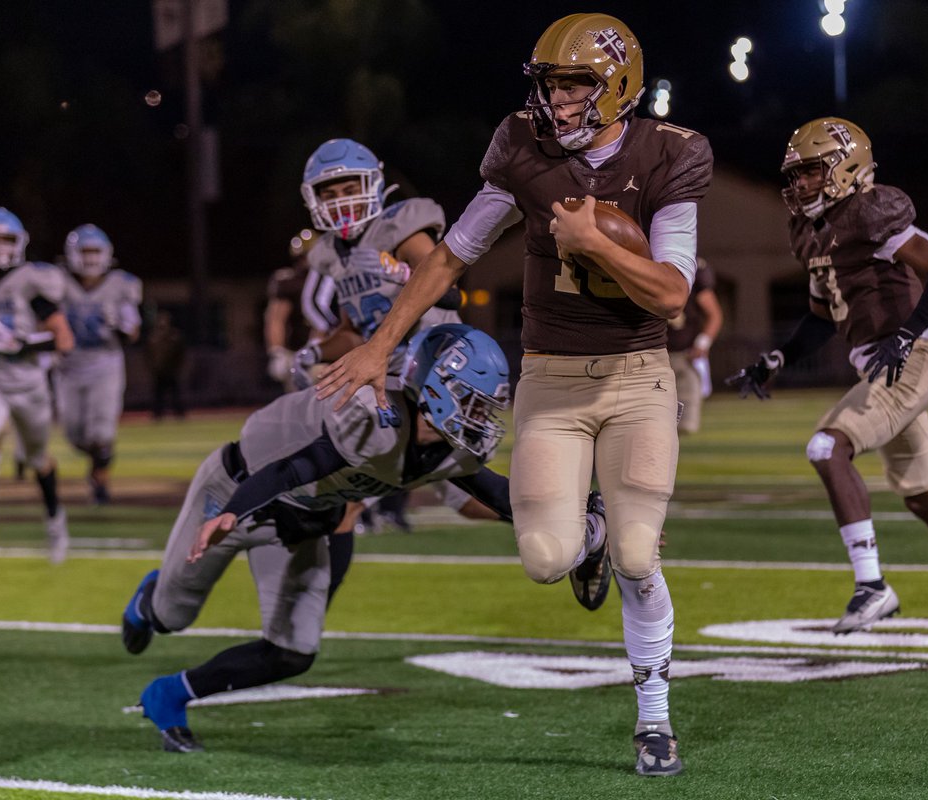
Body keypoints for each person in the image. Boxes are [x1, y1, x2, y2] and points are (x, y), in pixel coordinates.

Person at [316, 13, 712, 777]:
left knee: (639, 554)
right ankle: (588, 537)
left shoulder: (671, 153)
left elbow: (670, 294)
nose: (559, 101)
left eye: (576, 85)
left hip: (637, 377)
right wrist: (379, 344)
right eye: (551, 84)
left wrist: (596, 242)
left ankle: (655, 715)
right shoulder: (523, 149)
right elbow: (453, 256)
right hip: (552, 377)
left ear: (618, 86)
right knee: (543, 556)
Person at [119, 324, 604, 753]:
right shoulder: (375, 414)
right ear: (433, 389)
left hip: (302, 519)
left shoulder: (446, 448)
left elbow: (501, 495)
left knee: (293, 651)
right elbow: (298, 466)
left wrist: (582, 519)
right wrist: (230, 512)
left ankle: (170, 693)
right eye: (472, 400)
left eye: (485, 405)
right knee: (171, 615)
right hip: (237, 490)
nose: (479, 415)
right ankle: (147, 602)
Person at [726, 117, 928, 650]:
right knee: (923, 496)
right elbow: (824, 315)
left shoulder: (871, 211)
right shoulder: (808, 230)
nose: (798, 184)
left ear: (846, 166)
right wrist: (776, 357)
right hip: (878, 363)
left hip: (909, 356)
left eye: (811, 171)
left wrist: (909, 334)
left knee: (826, 447)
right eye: (794, 174)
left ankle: (871, 585)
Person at [295, 137, 467, 534]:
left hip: (435, 363)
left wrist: (403, 275)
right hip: (387, 374)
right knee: (460, 494)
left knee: (456, 487)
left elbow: (448, 286)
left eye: (350, 188)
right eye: (331, 193)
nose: (341, 200)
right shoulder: (333, 254)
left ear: (371, 185)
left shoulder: (400, 228)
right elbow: (352, 332)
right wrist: (314, 351)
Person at [0, 207, 74, 566]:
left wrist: (25, 344)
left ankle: (55, 521)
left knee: (37, 460)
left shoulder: (30, 283)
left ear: (19, 243)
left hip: (29, 383)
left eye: (5, 239)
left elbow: (64, 340)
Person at [55, 224, 143, 505]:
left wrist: (121, 324)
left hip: (105, 364)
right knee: (75, 435)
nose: (91, 258)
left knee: (102, 432)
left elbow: (133, 331)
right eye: (85, 251)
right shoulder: (57, 282)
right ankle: (95, 461)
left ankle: (100, 484)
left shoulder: (122, 284)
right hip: (68, 366)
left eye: (96, 252)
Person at [263, 230, 332, 394]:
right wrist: (277, 351)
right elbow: (276, 318)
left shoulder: (331, 278)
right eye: (301, 256)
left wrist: (316, 346)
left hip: (326, 349)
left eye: (308, 255)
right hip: (295, 351)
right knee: (297, 401)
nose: (305, 261)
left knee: (324, 394)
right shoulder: (288, 281)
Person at [667, 256, 722, 435]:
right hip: (649, 355)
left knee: (685, 425)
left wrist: (702, 343)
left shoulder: (694, 266)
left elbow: (714, 314)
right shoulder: (643, 256)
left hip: (684, 356)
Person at [145, 310, 186, 419]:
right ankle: (157, 414)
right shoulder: (153, 337)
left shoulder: (174, 336)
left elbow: (181, 353)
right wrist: (153, 367)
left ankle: (180, 414)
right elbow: (148, 355)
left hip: (172, 370)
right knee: (158, 395)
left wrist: (177, 367)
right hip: (159, 371)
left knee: (176, 394)